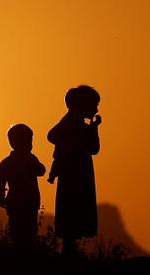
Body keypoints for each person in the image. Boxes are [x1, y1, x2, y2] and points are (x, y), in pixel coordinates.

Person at [47, 85, 102, 255]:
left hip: (77, 171)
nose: (96, 109)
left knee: (74, 208)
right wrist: (90, 130)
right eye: (93, 104)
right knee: (72, 208)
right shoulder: (71, 123)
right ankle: (69, 251)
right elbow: (53, 135)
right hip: (74, 173)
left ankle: (70, 249)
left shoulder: (75, 123)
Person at [0, 124, 46, 249]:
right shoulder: (30, 159)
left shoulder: (6, 162)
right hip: (28, 201)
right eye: (29, 140)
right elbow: (42, 171)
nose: (31, 143)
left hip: (16, 202)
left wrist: (1, 198)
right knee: (27, 231)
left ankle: (20, 256)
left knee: (18, 231)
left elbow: (0, 183)